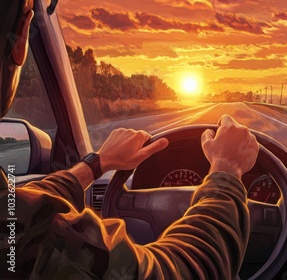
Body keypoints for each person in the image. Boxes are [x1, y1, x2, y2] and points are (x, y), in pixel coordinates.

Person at [0, 0, 259, 278]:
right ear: (23, 33)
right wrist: (227, 171)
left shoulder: (16, 229)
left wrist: (95, 164)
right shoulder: (27, 244)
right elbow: (184, 271)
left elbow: (18, 210)